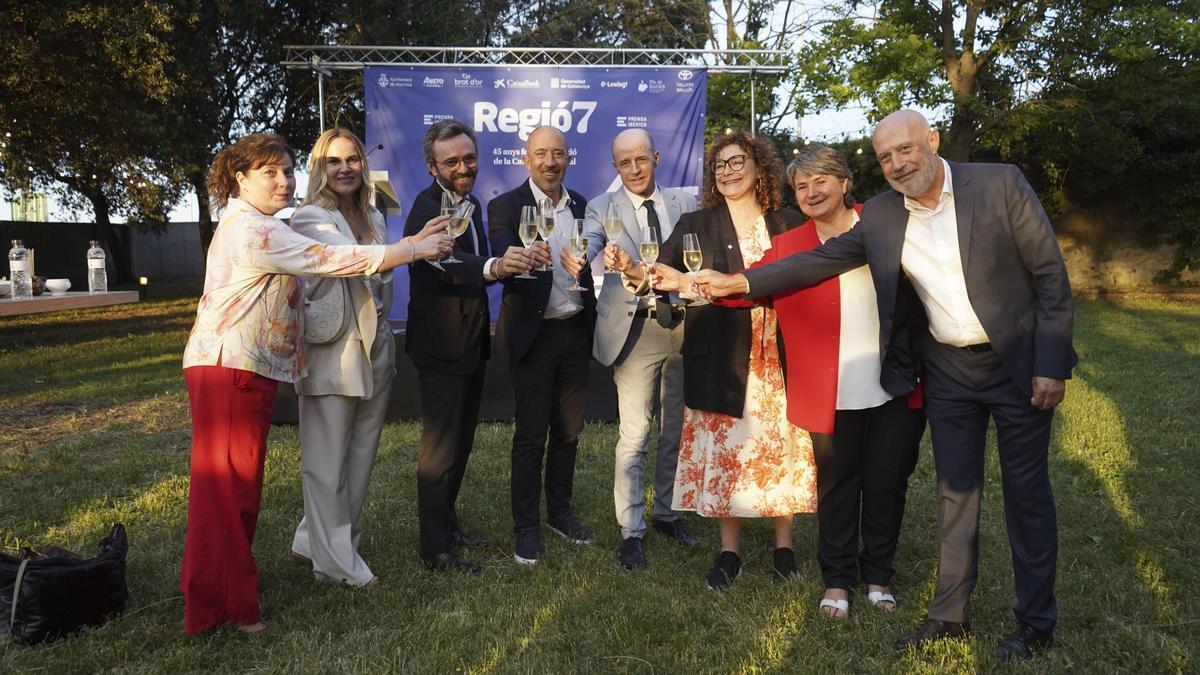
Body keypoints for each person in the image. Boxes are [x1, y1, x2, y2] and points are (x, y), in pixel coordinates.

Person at [699, 110, 1075, 661]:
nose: (898, 164)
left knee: (1026, 496)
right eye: (886, 157)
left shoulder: (999, 184)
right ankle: (949, 616)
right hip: (948, 371)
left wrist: (1051, 362)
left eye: (905, 150)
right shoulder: (879, 215)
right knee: (956, 494)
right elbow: (816, 262)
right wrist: (738, 281)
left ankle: (1037, 622)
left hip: (1017, 365)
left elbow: (1049, 275)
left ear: (932, 141)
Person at [180, 133, 450, 635]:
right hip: (229, 368)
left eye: (285, 171)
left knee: (230, 491)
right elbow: (331, 259)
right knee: (228, 492)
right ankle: (231, 608)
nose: (282, 182)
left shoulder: (257, 223)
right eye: (269, 173)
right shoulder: (255, 230)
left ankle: (213, 598)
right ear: (240, 179)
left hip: (242, 368)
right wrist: (412, 247)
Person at [741, 145, 927, 619]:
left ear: (845, 183)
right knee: (837, 486)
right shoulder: (787, 247)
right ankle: (838, 581)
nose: (810, 192)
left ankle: (879, 577)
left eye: (820, 180)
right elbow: (747, 287)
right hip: (830, 393)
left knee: (887, 484)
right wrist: (696, 284)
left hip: (895, 384)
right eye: (800, 186)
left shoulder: (886, 224)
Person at [647, 130, 817, 590]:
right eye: (720, 165)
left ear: (760, 167)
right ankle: (729, 553)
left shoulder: (790, 222)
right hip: (722, 350)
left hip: (779, 349)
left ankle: (785, 546)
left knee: (780, 444)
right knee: (727, 449)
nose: (728, 171)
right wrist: (641, 274)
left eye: (738, 161)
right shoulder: (695, 224)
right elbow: (666, 278)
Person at [288, 128, 425, 588]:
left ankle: (319, 540)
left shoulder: (372, 214)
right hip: (333, 347)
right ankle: (337, 564)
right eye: (333, 161)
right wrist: (411, 248)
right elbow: (345, 257)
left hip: (376, 345)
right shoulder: (309, 217)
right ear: (318, 169)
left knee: (360, 456)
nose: (345, 168)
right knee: (326, 462)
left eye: (352, 159)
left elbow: (377, 276)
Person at [559, 129, 698, 571]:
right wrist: (578, 253)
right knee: (635, 435)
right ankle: (631, 531)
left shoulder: (686, 203)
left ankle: (667, 514)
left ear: (656, 158)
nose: (635, 170)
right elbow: (589, 241)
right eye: (625, 163)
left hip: (681, 328)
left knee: (675, 430)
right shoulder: (603, 207)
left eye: (641, 160)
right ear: (615, 167)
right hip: (633, 333)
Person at [404, 119, 536, 573]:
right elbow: (446, 259)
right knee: (439, 449)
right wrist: (496, 267)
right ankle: (434, 549)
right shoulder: (427, 207)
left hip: (470, 342)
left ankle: (448, 524)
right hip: (440, 346)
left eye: (469, 158)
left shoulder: (472, 202)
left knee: (460, 443)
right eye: (452, 161)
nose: (464, 167)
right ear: (431, 166)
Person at [488, 125, 594, 565]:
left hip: (574, 331)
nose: (550, 162)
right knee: (532, 436)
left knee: (569, 433)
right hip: (533, 336)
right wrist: (521, 258)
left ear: (568, 158)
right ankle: (526, 527)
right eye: (541, 154)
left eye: (558, 154)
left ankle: (559, 513)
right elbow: (501, 255)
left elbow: (589, 261)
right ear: (527, 159)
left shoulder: (584, 206)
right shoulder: (505, 206)